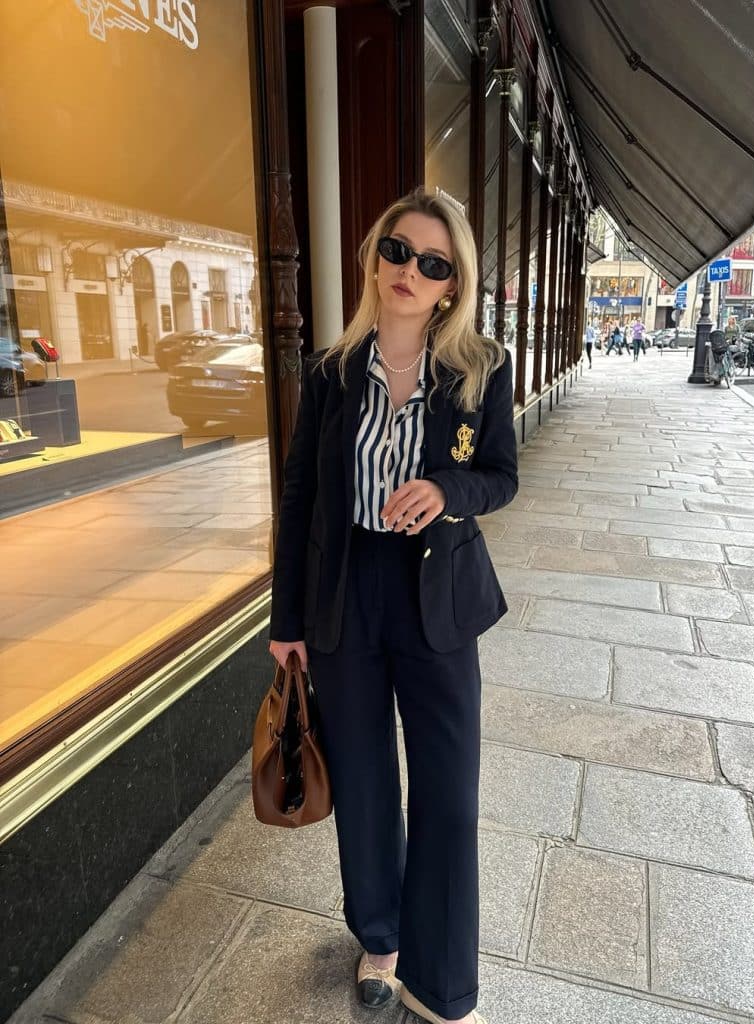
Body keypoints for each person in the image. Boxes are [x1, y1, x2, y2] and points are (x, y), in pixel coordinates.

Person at [268, 190, 517, 1024]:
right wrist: (286, 623)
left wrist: (446, 490)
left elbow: (500, 477)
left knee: (447, 791)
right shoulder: (331, 373)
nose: (410, 270)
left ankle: (442, 983)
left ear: (452, 285)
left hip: (435, 596)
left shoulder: (480, 368)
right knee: (365, 781)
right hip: (346, 595)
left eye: (432, 263)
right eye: (397, 251)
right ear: (375, 258)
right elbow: (300, 496)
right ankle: (379, 936)